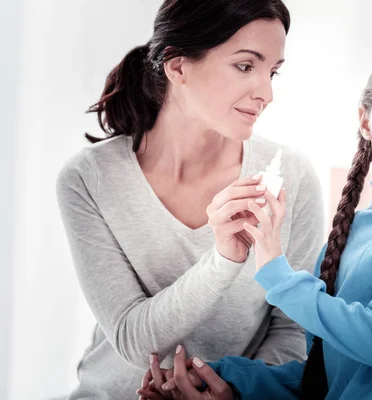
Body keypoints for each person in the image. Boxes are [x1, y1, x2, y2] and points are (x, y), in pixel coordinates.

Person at [138, 38, 372, 400]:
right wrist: (215, 377)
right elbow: (320, 379)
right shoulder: (346, 234)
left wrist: (275, 267)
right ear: (365, 121)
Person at [56, 0, 325, 398]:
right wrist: (225, 258)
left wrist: (235, 389)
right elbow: (132, 338)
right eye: (246, 66)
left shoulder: (293, 177)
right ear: (178, 65)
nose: (266, 92)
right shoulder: (88, 179)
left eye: (273, 72)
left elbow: (293, 327)